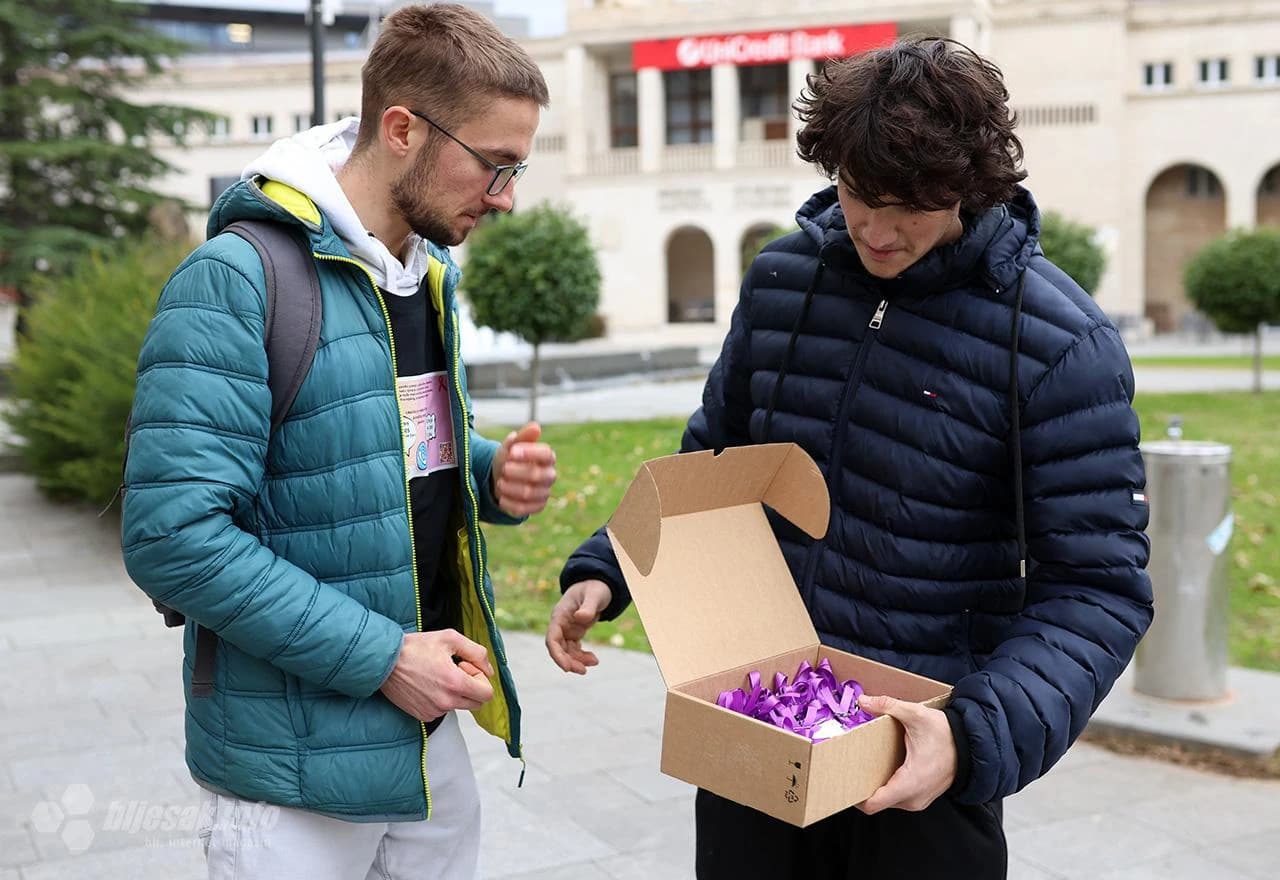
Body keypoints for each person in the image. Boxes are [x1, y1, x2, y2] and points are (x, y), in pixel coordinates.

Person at [550, 37, 1153, 879]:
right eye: (859, 193)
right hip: (757, 724)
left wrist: (973, 735)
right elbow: (713, 464)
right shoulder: (782, 280)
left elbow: (1098, 589)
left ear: (970, 185)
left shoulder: (1061, 345)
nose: (875, 228)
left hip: (921, 760)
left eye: (909, 206)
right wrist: (611, 565)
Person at [122, 5, 555, 878]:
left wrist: (486, 474)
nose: (505, 196)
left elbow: (388, 447)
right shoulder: (236, 279)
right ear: (402, 129)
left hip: (425, 743)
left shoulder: (427, 274)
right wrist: (385, 658)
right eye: (493, 163)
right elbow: (174, 538)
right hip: (291, 777)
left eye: (517, 168)